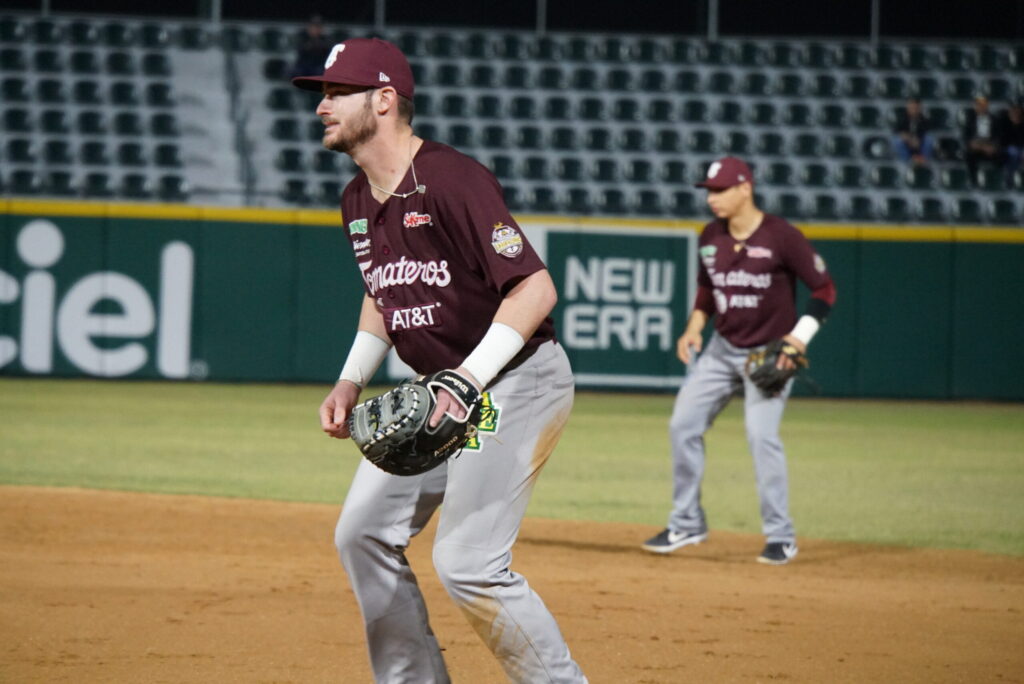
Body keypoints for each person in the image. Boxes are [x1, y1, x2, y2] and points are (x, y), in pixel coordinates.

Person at [292, 39, 587, 683]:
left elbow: (535, 289)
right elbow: (383, 293)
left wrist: (466, 379)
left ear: (385, 99)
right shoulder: (356, 199)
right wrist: (351, 378)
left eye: (338, 92)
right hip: (441, 392)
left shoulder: (453, 179)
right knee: (360, 534)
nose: (323, 106)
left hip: (515, 380)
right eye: (323, 93)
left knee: (469, 562)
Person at [641, 157, 837, 566]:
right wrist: (693, 327)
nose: (712, 198)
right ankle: (687, 522)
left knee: (761, 437)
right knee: (682, 425)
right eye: (709, 191)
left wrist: (797, 340)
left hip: (768, 355)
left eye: (720, 190)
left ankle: (781, 536)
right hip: (720, 350)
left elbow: (824, 290)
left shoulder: (782, 236)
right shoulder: (710, 236)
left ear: (745, 188)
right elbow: (706, 291)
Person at [962, 95, 1003, 186]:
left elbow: (998, 136)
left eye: (983, 105)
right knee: (969, 155)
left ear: (987, 106)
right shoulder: (970, 119)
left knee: (1001, 155)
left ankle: (996, 181)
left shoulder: (995, 119)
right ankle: (974, 181)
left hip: (990, 147)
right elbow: (965, 136)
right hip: (976, 147)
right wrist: (972, 144)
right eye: (979, 105)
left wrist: (993, 146)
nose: (981, 107)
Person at [891, 97, 935, 165]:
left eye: (916, 108)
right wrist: (909, 139)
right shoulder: (902, 119)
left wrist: (918, 140)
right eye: (911, 107)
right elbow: (896, 131)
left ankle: (923, 159)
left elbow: (926, 132)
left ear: (919, 108)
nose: (913, 110)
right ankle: (907, 161)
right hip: (907, 144)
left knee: (929, 139)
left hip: (920, 144)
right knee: (897, 141)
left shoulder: (924, 120)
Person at [998, 99, 1024, 189]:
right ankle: (1009, 180)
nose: (1016, 112)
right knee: (1013, 154)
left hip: (1021, 148)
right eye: (1013, 110)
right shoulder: (1004, 122)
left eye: (1018, 110)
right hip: (1008, 149)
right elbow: (1002, 141)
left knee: (1018, 153)